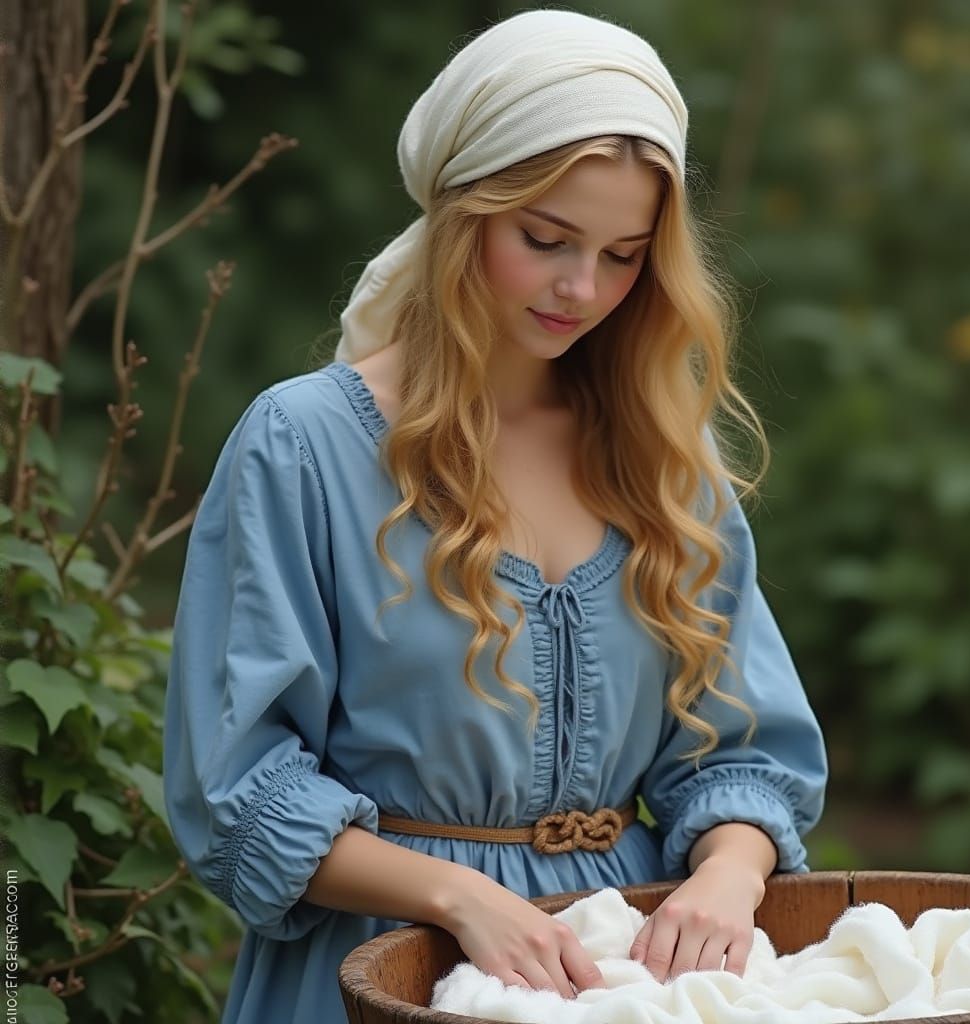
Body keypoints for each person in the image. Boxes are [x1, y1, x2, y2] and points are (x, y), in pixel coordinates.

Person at [162, 9, 828, 1024]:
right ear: (459, 214)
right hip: (381, 970)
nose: (581, 288)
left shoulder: (663, 458)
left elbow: (742, 750)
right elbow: (238, 788)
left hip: (618, 976)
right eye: (545, 240)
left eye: (623, 255)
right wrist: (458, 894)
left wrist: (728, 875)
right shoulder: (304, 445)